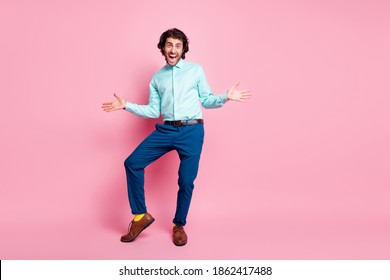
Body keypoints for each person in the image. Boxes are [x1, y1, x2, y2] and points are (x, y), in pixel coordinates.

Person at [102, 28, 251, 246]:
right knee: (132, 163)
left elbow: (207, 100)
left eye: (178, 46)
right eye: (169, 45)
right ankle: (140, 216)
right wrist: (126, 106)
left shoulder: (195, 71)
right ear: (163, 48)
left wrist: (225, 97)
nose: (173, 49)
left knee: (186, 181)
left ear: (183, 50)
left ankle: (179, 225)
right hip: (167, 130)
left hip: (192, 131)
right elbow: (154, 111)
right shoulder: (157, 78)